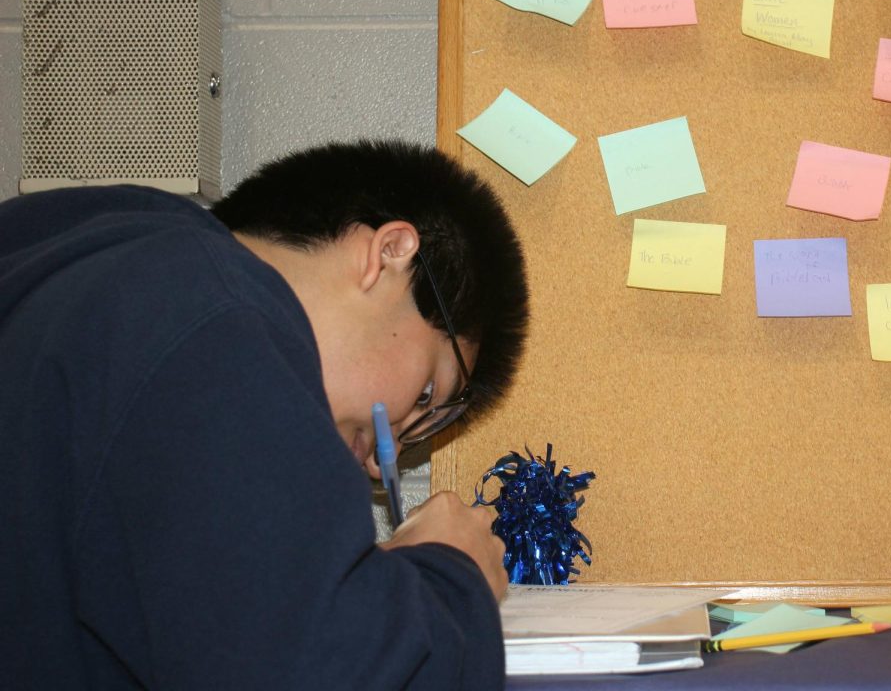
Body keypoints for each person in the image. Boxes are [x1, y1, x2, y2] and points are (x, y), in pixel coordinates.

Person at [0, 140, 529, 689]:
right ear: (390, 254)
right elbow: (314, 672)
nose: (380, 462)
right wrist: (450, 573)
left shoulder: (98, 270)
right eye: (423, 395)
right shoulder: (211, 320)